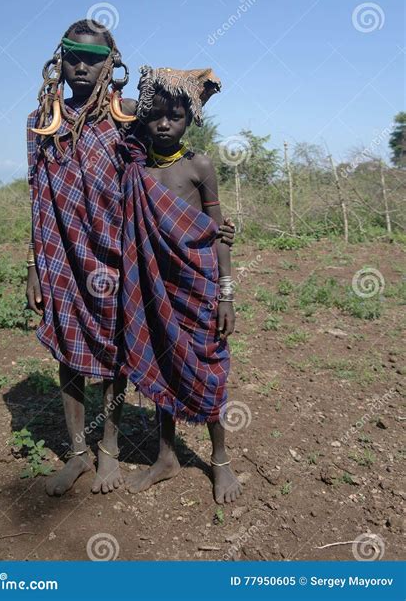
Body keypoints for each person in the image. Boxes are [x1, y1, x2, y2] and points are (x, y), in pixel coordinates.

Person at [26, 25, 236, 497]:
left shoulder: (127, 119)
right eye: (72, 56)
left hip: (120, 255)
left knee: (121, 350)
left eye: (93, 58)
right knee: (68, 348)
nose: (81, 66)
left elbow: (172, 111)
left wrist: (201, 82)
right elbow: (36, 195)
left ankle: (109, 450)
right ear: (59, 61)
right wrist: (34, 264)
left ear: (110, 63)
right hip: (62, 253)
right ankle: (78, 453)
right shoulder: (41, 122)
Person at [118, 66, 243, 504]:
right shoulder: (136, 167)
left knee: (207, 368)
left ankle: (221, 459)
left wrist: (226, 293)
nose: (165, 124)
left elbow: (214, 230)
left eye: (176, 116)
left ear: (191, 119)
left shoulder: (199, 166)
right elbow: (127, 109)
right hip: (155, 288)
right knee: (161, 365)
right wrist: (162, 86)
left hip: (199, 285)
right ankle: (166, 456)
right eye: (156, 116)